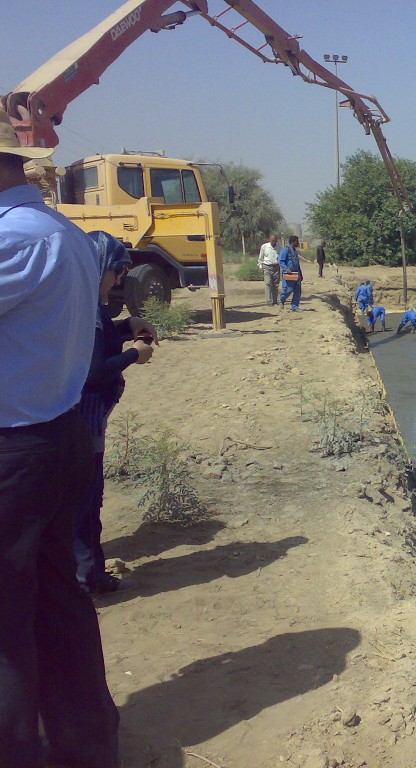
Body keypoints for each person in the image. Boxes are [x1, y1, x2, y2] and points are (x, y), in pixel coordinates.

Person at [0, 108, 120, 767]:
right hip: (56, 437)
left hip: (15, 451)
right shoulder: (60, 232)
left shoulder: (14, 240)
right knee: (54, 603)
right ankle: (87, 746)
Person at [74, 231, 158, 596]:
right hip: (83, 421)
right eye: (117, 271)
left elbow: (98, 343)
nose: (120, 279)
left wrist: (125, 329)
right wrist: (134, 355)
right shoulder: (87, 311)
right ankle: (89, 577)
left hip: (82, 419)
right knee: (86, 501)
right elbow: (94, 370)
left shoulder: (85, 305)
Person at [278, 235, 303, 311]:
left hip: (296, 273)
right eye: (297, 241)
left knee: (297, 291)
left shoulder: (295, 251)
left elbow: (297, 263)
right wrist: (286, 269)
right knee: (289, 289)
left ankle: (294, 307)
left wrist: (300, 274)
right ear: (293, 242)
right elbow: (281, 261)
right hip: (289, 274)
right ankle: (282, 299)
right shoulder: (285, 250)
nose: (298, 243)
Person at [257, 234, 280, 306]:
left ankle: (275, 300)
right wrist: (260, 266)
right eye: (272, 240)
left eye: (275, 241)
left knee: (275, 284)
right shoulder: (264, 246)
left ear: (276, 240)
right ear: (269, 240)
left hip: (276, 267)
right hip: (267, 266)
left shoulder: (279, 247)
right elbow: (261, 258)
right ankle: (269, 301)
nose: (273, 242)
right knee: (268, 283)